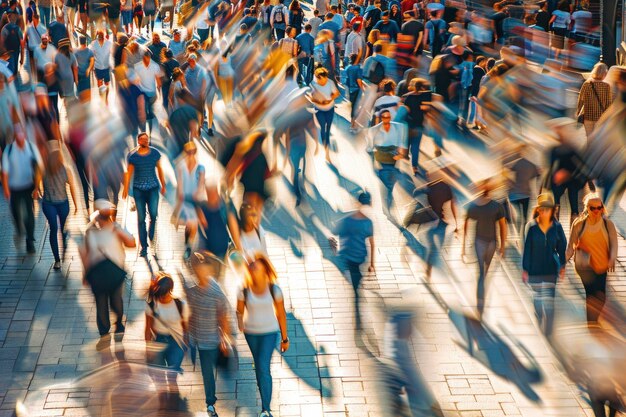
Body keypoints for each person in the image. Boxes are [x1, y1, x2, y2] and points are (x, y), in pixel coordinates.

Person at [236, 254, 290, 417]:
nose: (252, 268)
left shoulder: (274, 290)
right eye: (250, 266)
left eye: (256, 266)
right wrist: (239, 321)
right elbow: (239, 311)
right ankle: (265, 404)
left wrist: (284, 338)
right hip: (251, 333)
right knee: (259, 367)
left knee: (262, 366)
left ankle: (266, 409)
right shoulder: (243, 290)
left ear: (265, 269)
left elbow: (281, 315)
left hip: (269, 333)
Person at [186, 251, 232, 417]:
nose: (199, 272)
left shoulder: (215, 292)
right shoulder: (191, 289)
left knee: (208, 371)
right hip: (197, 338)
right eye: (196, 269)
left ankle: (210, 403)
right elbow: (190, 312)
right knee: (207, 372)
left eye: (202, 269)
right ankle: (211, 402)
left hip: (211, 340)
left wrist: (224, 338)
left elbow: (223, 317)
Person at [80, 199, 136, 337]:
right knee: (116, 299)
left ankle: (104, 331)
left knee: (101, 302)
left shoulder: (89, 231)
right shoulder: (115, 229)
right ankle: (118, 323)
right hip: (115, 272)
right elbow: (132, 243)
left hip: (96, 273)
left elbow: (85, 255)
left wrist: (85, 275)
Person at [566, 193, 618, 324]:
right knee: (591, 294)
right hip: (585, 266)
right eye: (592, 208)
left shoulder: (608, 224)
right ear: (586, 208)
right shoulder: (579, 224)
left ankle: (593, 320)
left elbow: (614, 243)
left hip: (602, 264)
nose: (596, 211)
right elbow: (570, 247)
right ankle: (592, 322)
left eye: (599, 208)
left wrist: (612, 258)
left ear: (602, 208)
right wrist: (563, 261)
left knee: (602, 296)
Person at [522, 192, 567, 336]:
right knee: (538, 298)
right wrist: (525, 269)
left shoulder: (557, 227)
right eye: (542, 209)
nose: (545, 212)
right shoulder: (532, 227)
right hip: (534, 269)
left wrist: (563, 266)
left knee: (549, 301)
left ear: (553, 210)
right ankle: (538, 314)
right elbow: (527, 248)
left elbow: (562, 246)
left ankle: (549, 329)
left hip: (550, 269)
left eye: (548, 209)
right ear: (538, 210)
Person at [462, 179, 507, 318]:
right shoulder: (496, 206)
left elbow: (466, 223)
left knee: (483, 273)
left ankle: (480, 300)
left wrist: (463, 247)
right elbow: (503, 226)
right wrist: (503, 246)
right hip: (489, 243)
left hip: (483, 242)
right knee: (483, 272)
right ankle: (480, 301)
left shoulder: (476, 206)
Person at [331, 191, 374, 331]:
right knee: (356, 284)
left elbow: (334, 231)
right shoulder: (368, 222)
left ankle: (357, 301)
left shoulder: (346, 220)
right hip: (360, 257)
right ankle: (358, 315)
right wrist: (372, 263)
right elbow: (372, 244)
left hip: (347, 257)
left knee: (351, 277)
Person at [122, 132, 167, 257]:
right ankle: (144, 247)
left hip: (153, 188)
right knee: (141, 218)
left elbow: (159, 169)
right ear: (138, 141)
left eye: (147, 140)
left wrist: (163, 185)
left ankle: (152, 230)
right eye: (142, 140)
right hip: (139, 190)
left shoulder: (154, 153)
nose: (145, 141)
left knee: (153, 213)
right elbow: (129, 173)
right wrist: (125, 189)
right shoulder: (133, 156)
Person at [2, 123, 43, 254]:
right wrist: (6, 188)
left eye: (22, 133)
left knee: (29, 214)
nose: (20, 136)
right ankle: (19, 229)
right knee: (15, 212)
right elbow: (5, 172)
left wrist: (37, 187)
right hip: (14, 187)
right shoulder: (8, 151)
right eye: (17, 134)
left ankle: (30, 241)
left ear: (24, 134)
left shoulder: (31, 148)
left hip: (28, 186)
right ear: (14, 136)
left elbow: (39, 168)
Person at [145, 273, 189, 388]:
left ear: (170, 290)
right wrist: (148, 347)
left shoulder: (180, 305)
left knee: (171, 376)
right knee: (159, 377)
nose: (161, 298)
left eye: (163, 295)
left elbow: (185, 327)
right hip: (159, 340)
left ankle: (173, 401)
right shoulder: (151, 305)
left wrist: (185, 345)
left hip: (176, 342)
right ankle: (163, 400)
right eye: (159, 295)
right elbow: (148, 328)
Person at [40, 145, 78, 270]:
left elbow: (72, 186)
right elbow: (72, 187)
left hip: (56, 203)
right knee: (54, 228)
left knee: (60, 229)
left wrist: (39, 191)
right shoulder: (45, 170)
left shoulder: (64, 170)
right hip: (55, 203)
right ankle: (57, 259)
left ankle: (63, 243)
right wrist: (76, 204)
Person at [367, 109, 407, 220]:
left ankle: (387, 207)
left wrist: (401, 155)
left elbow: (402, 145)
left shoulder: (397, 128)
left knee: (390, 186)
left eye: (388, 117)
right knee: (388, 187)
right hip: (382, 162)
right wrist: (372, 167)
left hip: (394, 161)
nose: (386, 119)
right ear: (380, 118)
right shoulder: (374, 130)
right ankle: (387, 210)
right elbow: (369, 149)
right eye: (384, 117)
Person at [174, 141, 205, 259]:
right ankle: (187, 245)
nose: (191, 154)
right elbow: (180, 181)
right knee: (189, 224)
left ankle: (191, 244)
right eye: (188, 152)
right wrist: (180, 195)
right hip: (185, 199)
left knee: (194, 225)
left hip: (196, 200)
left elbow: (201, 183)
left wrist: (197, 194)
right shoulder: (181, 166)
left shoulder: (201, 167)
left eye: (193, 151)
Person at [309, 67, 339, 163]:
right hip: (319, 110)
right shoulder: (313, 85)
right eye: (321, 80)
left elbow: (336, 93)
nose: (324, 82)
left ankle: (327, 149)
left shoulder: (330, 82)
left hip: (330, 109)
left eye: (325, 79)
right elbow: (312, 98)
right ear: (317, 78)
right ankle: (326, 152)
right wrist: (320, 102)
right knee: (323, 128)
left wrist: (329, 100)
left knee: (328, 129)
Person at [402, 77, 431, 176]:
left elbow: (405, 110)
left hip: (409, 124)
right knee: (416, 147)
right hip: (419, 125)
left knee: (407, 143)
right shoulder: (425, 97)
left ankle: (405, 156)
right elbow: (427, 109)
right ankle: (414, 167)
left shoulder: (408, 97)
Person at [576, 62, 612, 139]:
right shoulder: (607, 86)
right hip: (600, 118)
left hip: (588, 117)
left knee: (589, 138)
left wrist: (578, 111)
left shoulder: (587, 84)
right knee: (598, 139)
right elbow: (608, 103)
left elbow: (581, 99)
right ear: (605, 74)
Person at [134, 49, 162, 133]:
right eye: (146, 58)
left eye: (148, 58)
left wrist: (159, 92)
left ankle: (147, 131)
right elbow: (136, 81)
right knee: (145, 113)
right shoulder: (138, 66)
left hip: (151, 93)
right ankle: (145, 132)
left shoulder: (154, 66)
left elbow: (158, 81)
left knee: (147, 112)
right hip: (143, 93)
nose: (147, 60)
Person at [89, 30, 113, 105]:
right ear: (97, 36)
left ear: (104, 35)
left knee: (106, 84)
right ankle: (101, 98)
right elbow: (91, 55)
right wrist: (92, 67)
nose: (100, 37)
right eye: (99, 36)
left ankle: (106, 98)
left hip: (106, 67)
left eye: (101, 35)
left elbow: (112, 53)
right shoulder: (93, 44)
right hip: (98, 67)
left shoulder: (109, 43)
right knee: (99, 83)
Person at [75, 36, 94, 102]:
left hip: (79, 75)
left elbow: (74, 64)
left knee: (80, 93)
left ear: (79, 41)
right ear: (85, 41)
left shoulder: (76, 52)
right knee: (87, 92)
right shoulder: (89, 51)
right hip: (86, 75)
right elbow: (92, 61)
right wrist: (88, 69)